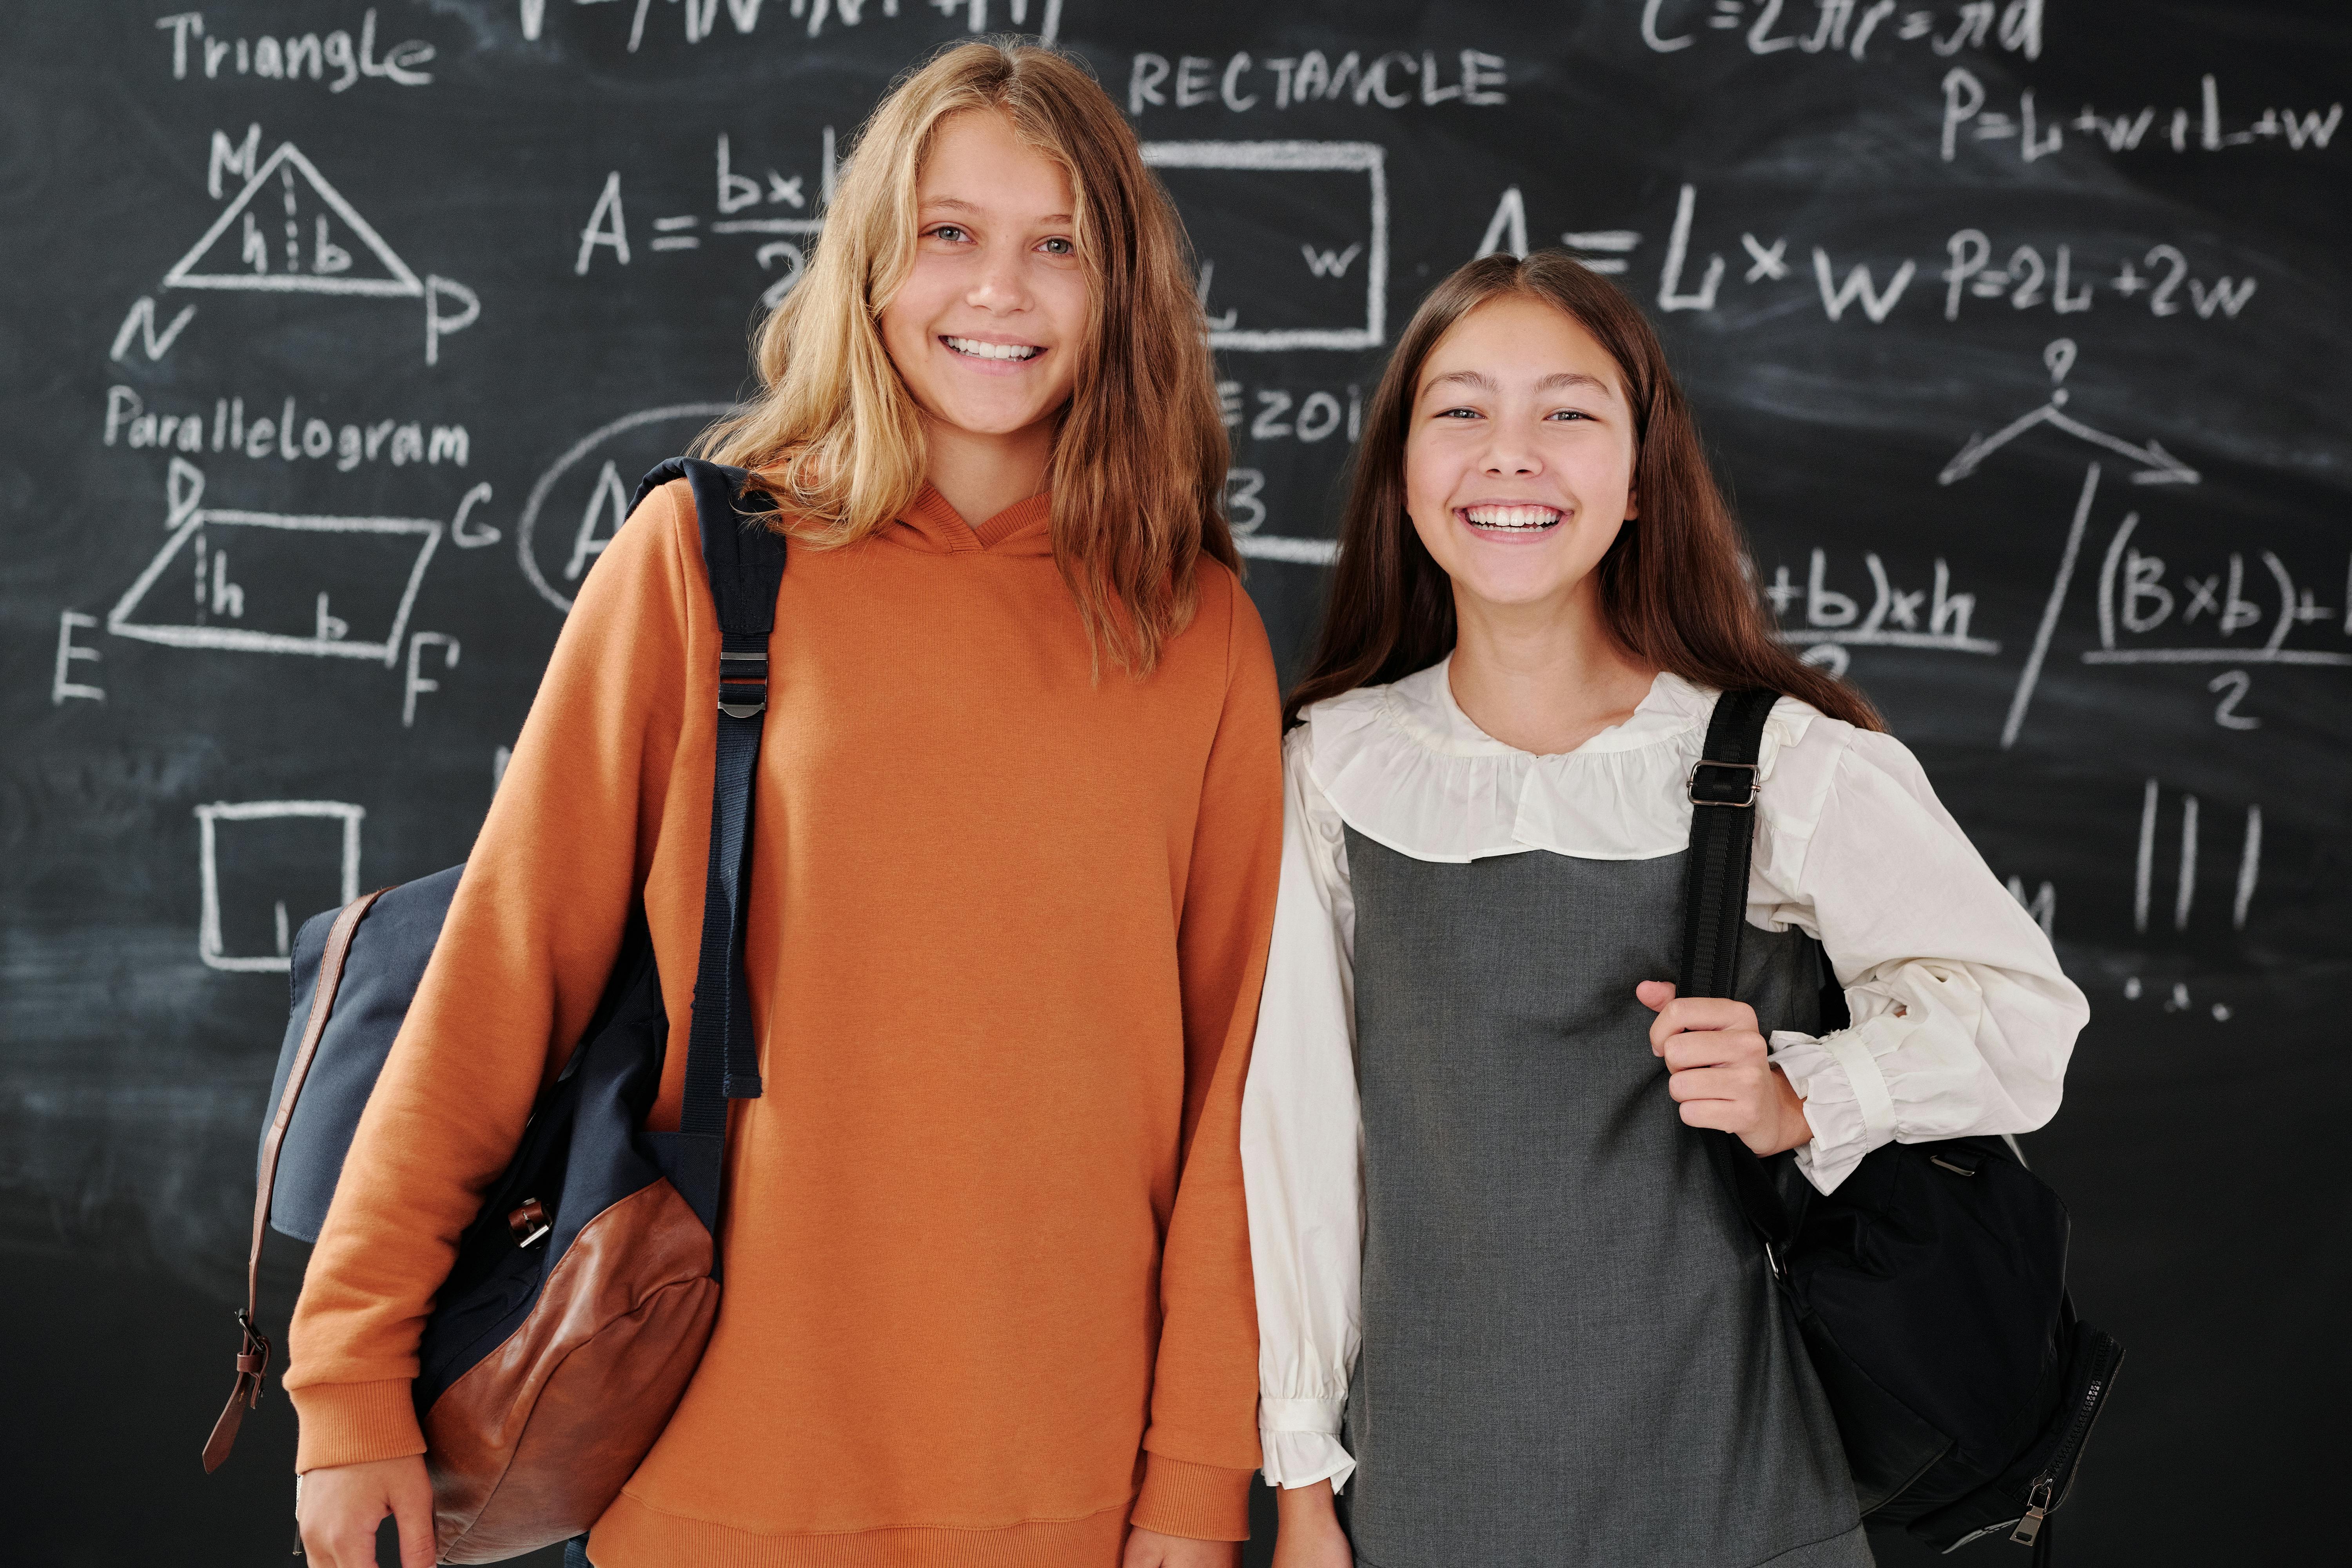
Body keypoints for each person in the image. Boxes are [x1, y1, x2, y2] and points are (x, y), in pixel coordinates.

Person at [287, 42, 1279, 1568]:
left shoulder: (1194, 625)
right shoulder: (706, 564)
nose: (999, 292)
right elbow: (502, 976)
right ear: (873, 267)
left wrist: (1198, 1480)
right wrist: (349, 1378)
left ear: (1122, 287)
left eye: (1057, 244)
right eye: (950, 234)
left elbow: (1236, 1101)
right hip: (716, 1475)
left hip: (1072, 1485)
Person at [1241, 251, 2089, 1568]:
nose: (1509, 456)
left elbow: (2026, 1016)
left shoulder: (1778, 765)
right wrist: (1303, 1490)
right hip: (1433, 1486)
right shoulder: (1331, 774)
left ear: (1640, 481)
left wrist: (1804, 1094)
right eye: (1459, 411)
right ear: (1403, 472)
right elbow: (1300, 1144)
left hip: (1740, 1478)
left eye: (1567, 413)